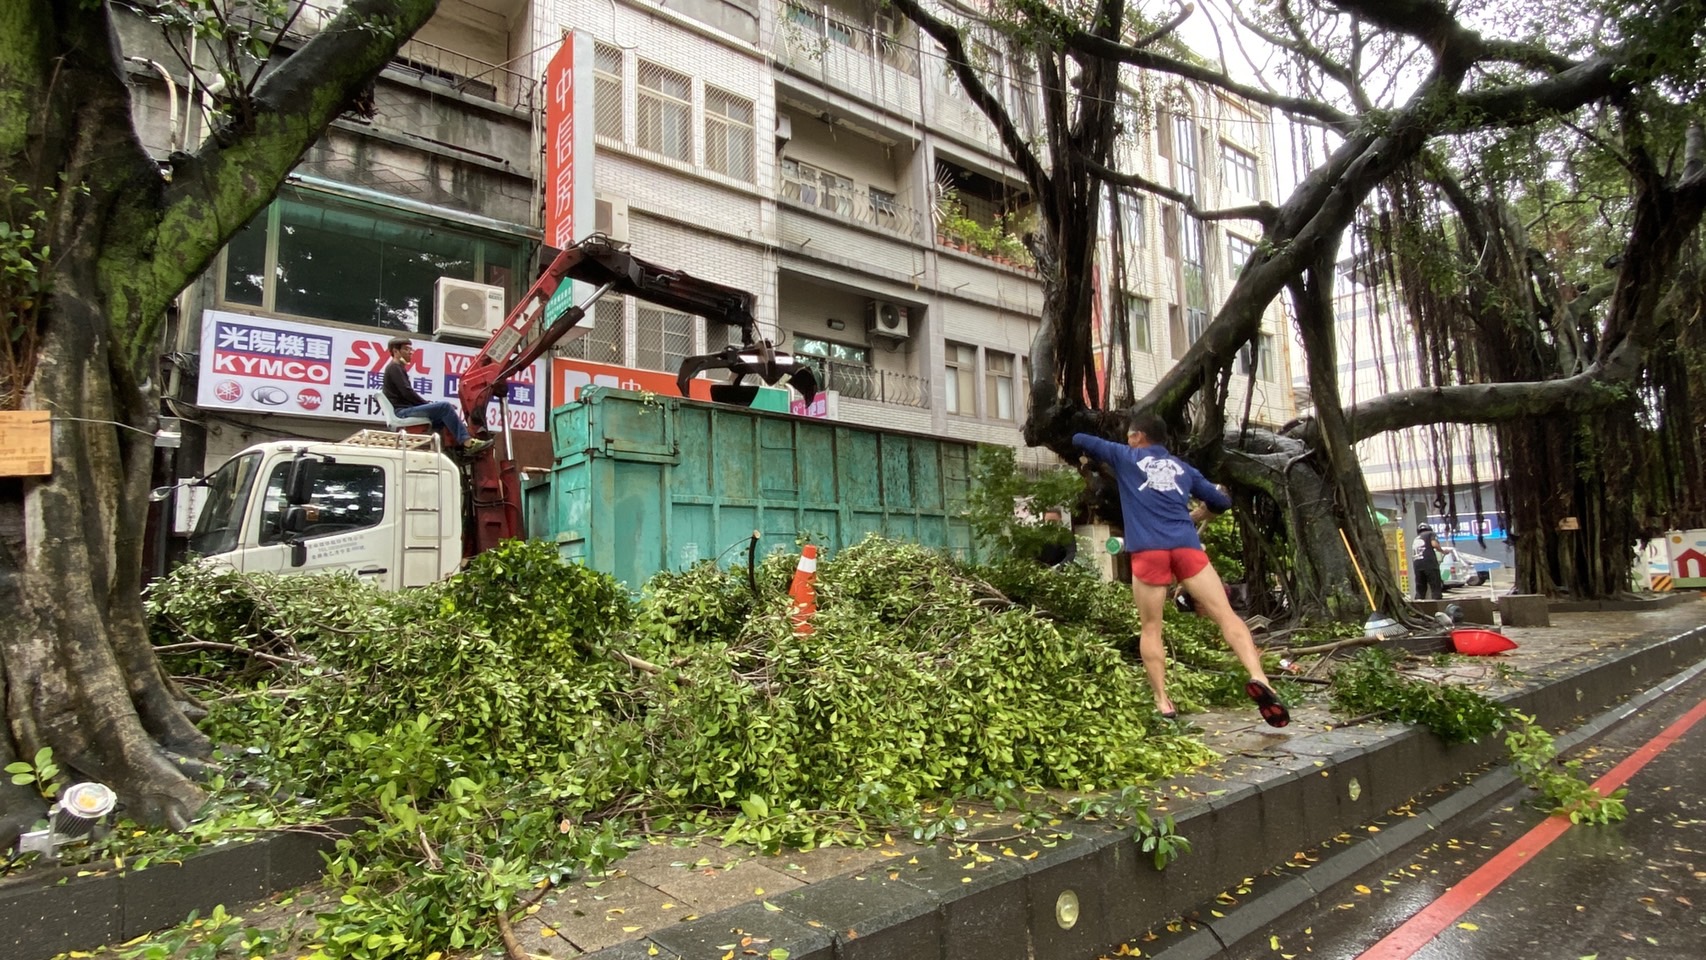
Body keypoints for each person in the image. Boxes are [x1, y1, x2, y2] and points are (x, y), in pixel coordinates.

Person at [1073, 412, 1289, 727]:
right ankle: (1260, 677)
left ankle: (1163, 702)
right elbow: (1220, 502)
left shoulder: (1125, 455)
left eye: (1130, 436)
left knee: (1151, 628)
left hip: (1149, 551)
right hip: (1187, 548)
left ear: (1136, 437)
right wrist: (1200, 513)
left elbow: (1079, 439)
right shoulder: (1184, 469)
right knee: (1227, 616)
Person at [382, 337, 491, 453]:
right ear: (395, 351)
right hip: (402, 412)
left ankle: (452, 451)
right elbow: (407, 392)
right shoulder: (394, 368)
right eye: (406, 349)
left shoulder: (397, 368)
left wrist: (430, 406)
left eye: (411, 349)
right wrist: (428, 404)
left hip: (405, 409)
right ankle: (468, 443)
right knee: (445, 407)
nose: (410, 352)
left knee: (444, 418)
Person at [1411, 522, 1447, 601]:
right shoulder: (1430, 534)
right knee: (1435, 585)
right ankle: (1437, 604)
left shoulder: (1416, 538)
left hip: (1417, 565)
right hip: (1429, 563)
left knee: (1420, 587)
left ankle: (1419, 605)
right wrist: (1442, 551)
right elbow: (1434, 544)